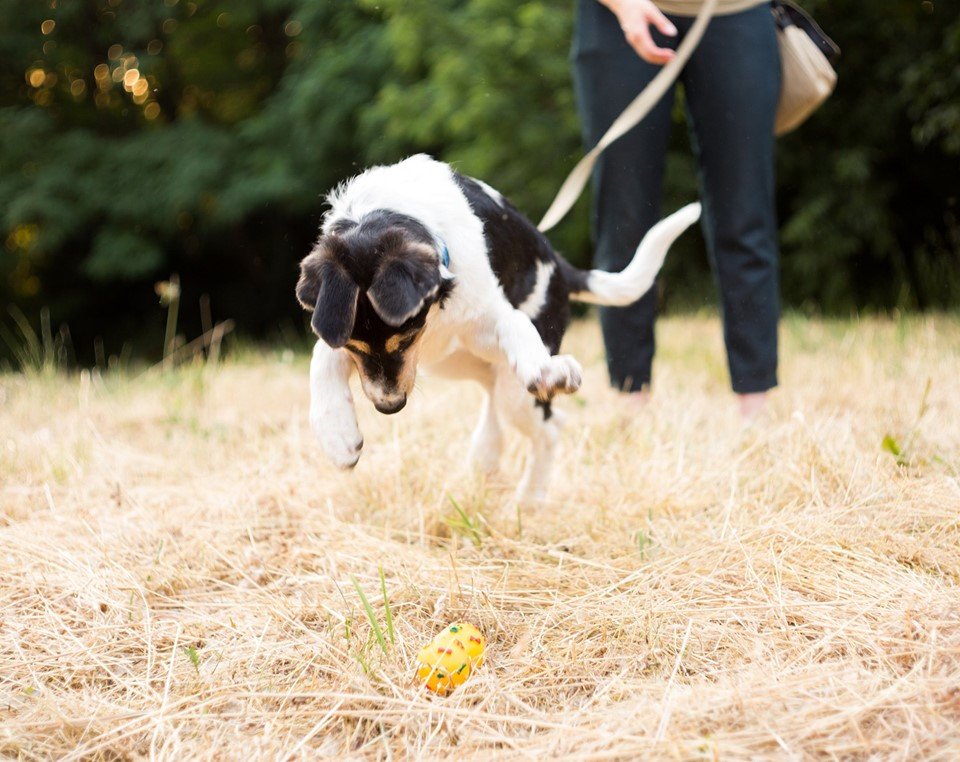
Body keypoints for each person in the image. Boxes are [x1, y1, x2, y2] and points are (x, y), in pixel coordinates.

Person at [572, 0, 781, 418]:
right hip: (619, 15)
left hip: (736, 12)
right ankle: (630, 399)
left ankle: (756, 407)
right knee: (624, 217)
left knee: (746, 212)